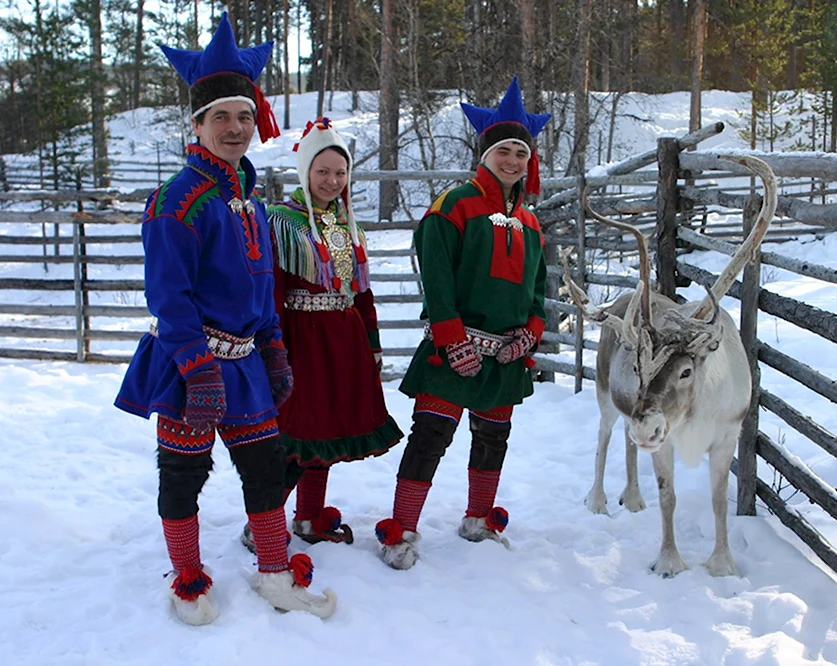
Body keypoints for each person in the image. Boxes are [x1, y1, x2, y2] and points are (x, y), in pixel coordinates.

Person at [114, 13, 336, 625]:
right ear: (198, 125)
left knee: (265, 470)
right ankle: (186, 575)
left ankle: (273, 570)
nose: (235, 128)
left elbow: (260, 287)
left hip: (246, 366)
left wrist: (273, 347)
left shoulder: (251, 200)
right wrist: (198, 370)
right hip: (190, 364)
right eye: (222, 118)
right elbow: (170, 297)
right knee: (183, 472)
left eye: (244, 117)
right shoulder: (177, 202)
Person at [374, 77, 551, 570]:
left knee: (494, 437)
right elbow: (437, 277)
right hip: (455, 351)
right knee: (431, 435)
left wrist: (530, 333)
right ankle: (402, 530)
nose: (513, 161)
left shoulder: (532, 224)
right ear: (485, 154)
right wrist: (452, 339)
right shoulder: (453, 206)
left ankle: (478, 519)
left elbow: (538, 290)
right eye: (504, 151)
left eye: (521, 152)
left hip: (505, 355)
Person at [240, 118, 403, 551]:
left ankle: (309, 518)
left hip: (343, 341)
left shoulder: (348, 226)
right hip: (301, 341)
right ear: (305, 172)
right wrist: (270, 349)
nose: (332, 181)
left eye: (340, 172)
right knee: (295, 437)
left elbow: (360, 293)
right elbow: (270, 290)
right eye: (322, 171)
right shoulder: (280, 223)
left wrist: (371, 345)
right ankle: (262, 522)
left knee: (325, 435)